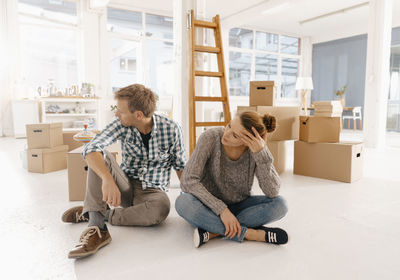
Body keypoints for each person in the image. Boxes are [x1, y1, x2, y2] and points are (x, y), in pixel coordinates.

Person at [62, 84, 186, 259]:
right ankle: (97, 227)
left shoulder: (172, 129)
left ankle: (95, 211)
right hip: (125, 185)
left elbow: (180, 166)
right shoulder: (121, 124)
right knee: (100, 155)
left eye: (120, 111)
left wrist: (190, 198)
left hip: (153, 191)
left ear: (138, 115)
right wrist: (107, 179)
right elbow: (91, 148)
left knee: (161, 209)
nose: (116, 114)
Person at [175, 111, 288, 248]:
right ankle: (250, 234)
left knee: (281, 204)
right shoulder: (210, 137)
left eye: (234, 135)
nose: (226, 134)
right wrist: (222, 210)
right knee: (183, 202)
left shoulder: (255, 150)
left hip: (239, 206)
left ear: (248, 142)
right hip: (207, 204)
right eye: (229, 126)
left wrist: (261, 154)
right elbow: (187, 180)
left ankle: (213, 232)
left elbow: (272, 191)